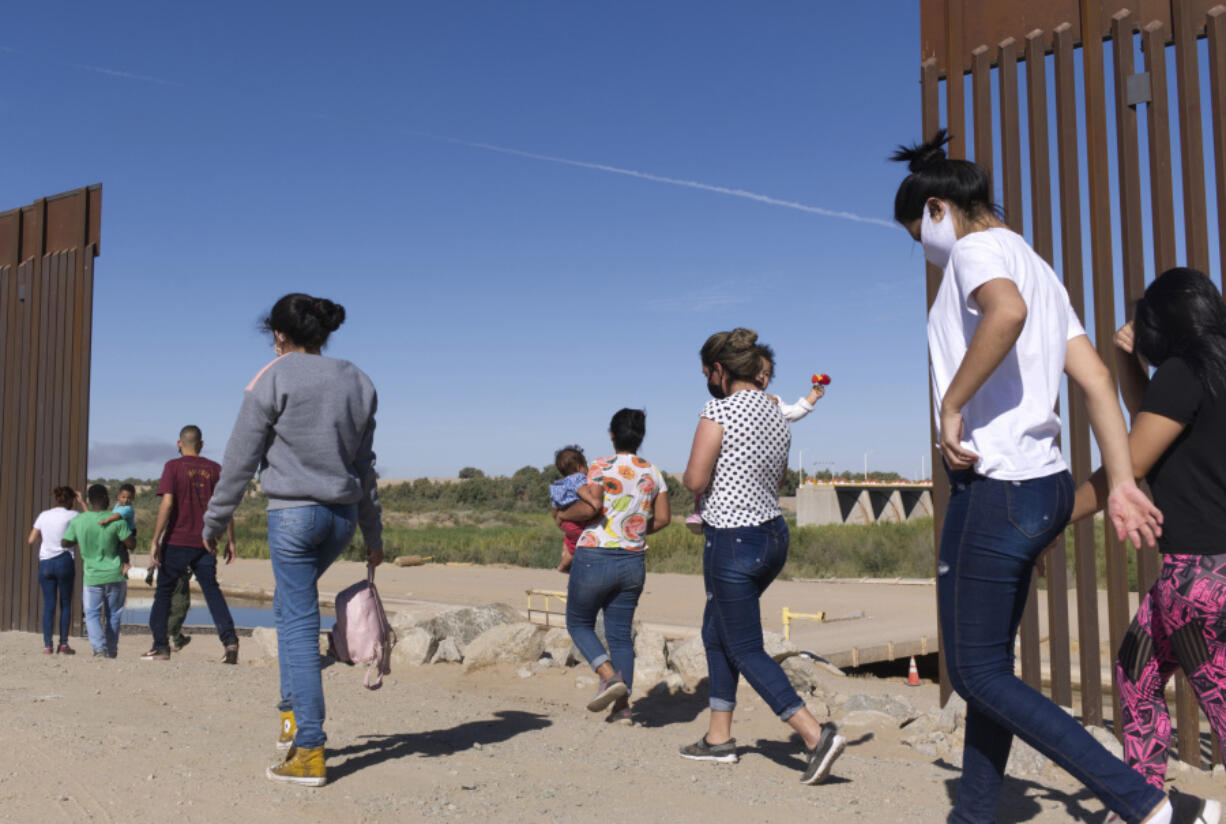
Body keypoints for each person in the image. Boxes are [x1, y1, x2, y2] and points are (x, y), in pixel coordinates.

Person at [892, 130, 1214, 824]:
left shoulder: (978, 250)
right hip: (1042, 488)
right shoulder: (1039, 266)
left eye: (916, 228)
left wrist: (950, 403)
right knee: (992, 672)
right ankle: (974, 814)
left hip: (995, 488)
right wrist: (1124, 482)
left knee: (975, 672)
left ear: (940, 208)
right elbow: (1097, 378)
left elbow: (1004, 314)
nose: (920, 243)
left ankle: (1145, 801)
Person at [201, 292, 383, 787]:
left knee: (299, 626)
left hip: (295, 518)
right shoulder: (358, 380)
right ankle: (288, 718)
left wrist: (214, 523)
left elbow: (240, 459)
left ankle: (308, 749)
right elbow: (365, 468)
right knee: (288, 609)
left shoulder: (273, 375)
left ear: (279, 335)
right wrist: (373, 531)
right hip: (341, 519)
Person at [1068, 268, 1226, 809]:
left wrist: (1052, 518)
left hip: (1198, 579)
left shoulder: (1186, 372)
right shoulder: (1207, 372)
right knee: (1135, 676)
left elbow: (1130, 460)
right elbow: (1152, 423)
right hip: (1195, 575)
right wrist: (1125, 363)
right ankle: (1146, 803)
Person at [679, 328, 844, 785]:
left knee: (745, 646)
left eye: (707, 372)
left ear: (720, 371)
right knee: (716, 632)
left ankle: (815, 735)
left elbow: (695, 480)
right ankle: (718, 738)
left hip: (732, 538)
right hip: (772, 536)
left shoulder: (718, 409)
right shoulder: (776, 413)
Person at [556, 408, 669, 725]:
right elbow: (662, 519)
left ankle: (606, 675)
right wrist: (633, 531)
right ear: (641, 437)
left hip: (595, 555)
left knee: (578, 623)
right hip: (633, 561)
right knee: (620, 635)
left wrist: (564, 516)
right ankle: (622, 709)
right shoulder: (653, 473)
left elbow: (588, 505)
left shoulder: (599, 466)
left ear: (611, 435)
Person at [686, 358, 826, 533]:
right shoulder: (731, 405)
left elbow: (794, 412)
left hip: (736, 520)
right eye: (757, 372)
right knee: (708, 474)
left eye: (767, 374)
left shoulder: (773, 404)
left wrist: (812, 397)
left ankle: (701, 513)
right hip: (763, 518)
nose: (762, 378)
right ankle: (700, 512)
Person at [144, 426, 239, 662]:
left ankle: (161, 646)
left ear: (179, 444)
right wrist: (231, 540)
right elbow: (224, 506)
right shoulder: (215, 469)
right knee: (212, 592)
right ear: (202, 444)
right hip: (205, 542)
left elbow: (167, 505)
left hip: (176, 540)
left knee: (164, 593)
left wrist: (156, 539)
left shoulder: (173, 467)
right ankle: (229, 643)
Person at [61, 484, 134, 657]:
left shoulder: (79, 520)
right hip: (116, 574)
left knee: (92, 614)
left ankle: (99, 649)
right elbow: (131, 544)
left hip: (92, 576)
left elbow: (65, 543)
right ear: (107, 498)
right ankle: (112, 650)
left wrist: (81, 539)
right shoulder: (116, 519)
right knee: (114, 614)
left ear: (89, 500)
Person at [27, 486, 83, 654]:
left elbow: (31, 539)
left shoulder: (44, 515)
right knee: (65, 604)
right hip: (64, 561)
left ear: (57, 499)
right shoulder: (74, 515)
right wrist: (82, 502)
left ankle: (47, 645)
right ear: (72, 500)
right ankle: (63, 644)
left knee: (49, 605)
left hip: (46, 562)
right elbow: (90, 521)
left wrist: (46, 540)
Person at [548, 445, 601, 573]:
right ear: (578, 467)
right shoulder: (578, 478)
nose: (587, 468)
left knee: (569, 539)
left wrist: (558, 519)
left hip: (566, 523)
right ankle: (564, 565)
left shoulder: (560, 485)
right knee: (578, 545)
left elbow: (554, 508)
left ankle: (565, 556)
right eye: (586, 464)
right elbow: (582, 491)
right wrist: (594, 500)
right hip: (576, 522)